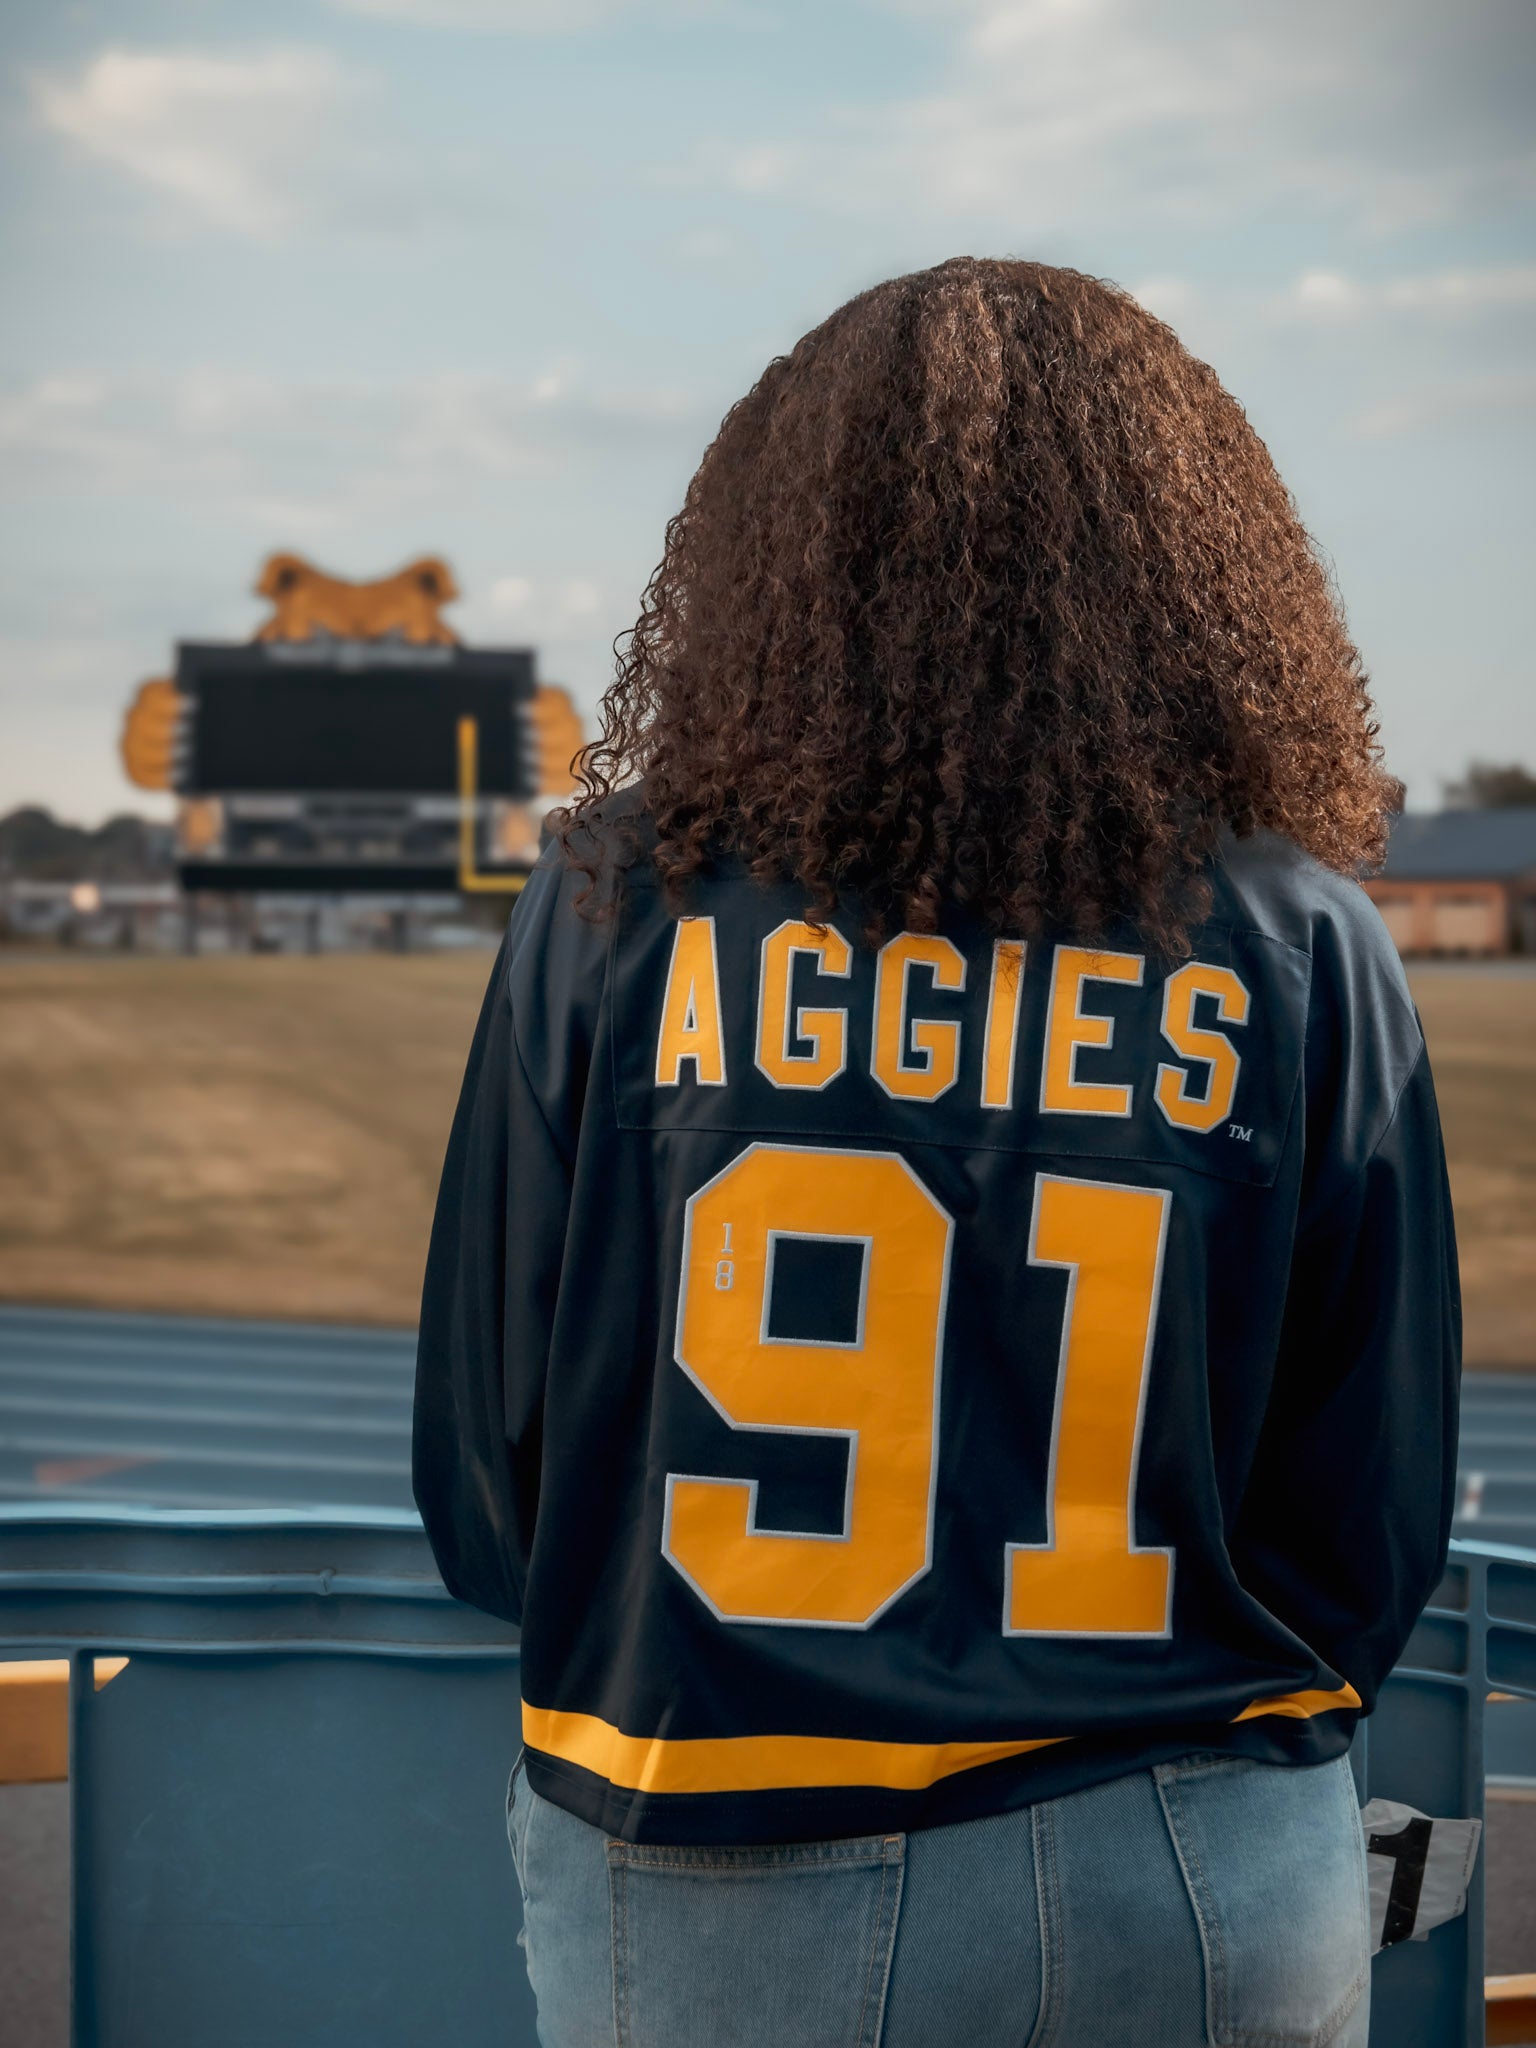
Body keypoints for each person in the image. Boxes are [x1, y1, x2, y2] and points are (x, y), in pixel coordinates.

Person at [412, 257, 1460, 2048]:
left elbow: (495, 1475)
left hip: (723, 1847)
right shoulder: (1305, 938)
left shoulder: (613, 909)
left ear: (772, 561)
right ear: (1198, 572)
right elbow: (1368, 1511)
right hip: (1201, 1856)